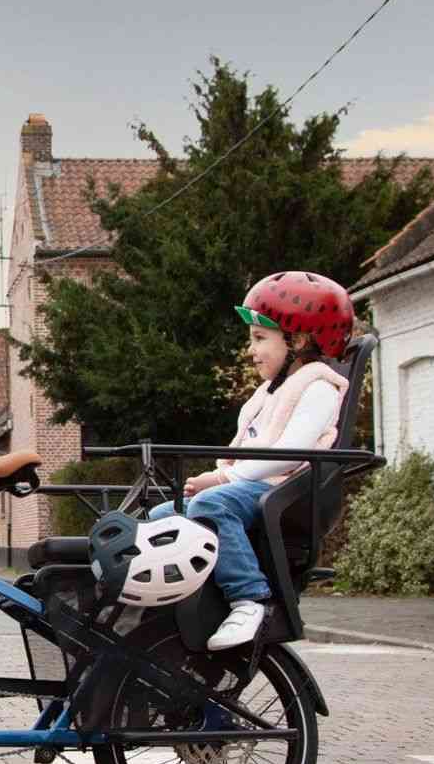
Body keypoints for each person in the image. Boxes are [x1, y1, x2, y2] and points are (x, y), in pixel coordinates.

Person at [148, 271, 355, 651]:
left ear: (300, 339)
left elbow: (286, 454)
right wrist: (219, 475)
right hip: (252, 487)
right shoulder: (270, 394)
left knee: (211, 503)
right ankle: (169, 604)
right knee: (164, 515)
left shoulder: (319, 388)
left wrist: (223, 480)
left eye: (260, 338)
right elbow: (248, 452)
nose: (251, 349)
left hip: (284, 495)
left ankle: (251, 602)